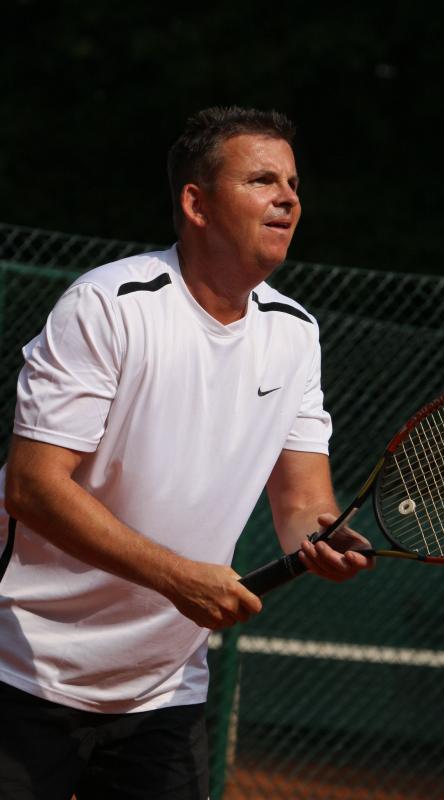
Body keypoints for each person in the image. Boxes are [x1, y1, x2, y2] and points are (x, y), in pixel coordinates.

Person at [0, 106, 373, 800]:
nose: (288, 199)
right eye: (261, 181)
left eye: (292, 183)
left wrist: (324, 538)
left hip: (163, 693)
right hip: (22, 670)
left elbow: (301, 502)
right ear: (196, 205)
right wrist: (179, 579)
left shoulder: (295, 333)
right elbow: (33, 487)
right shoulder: (108, 305)